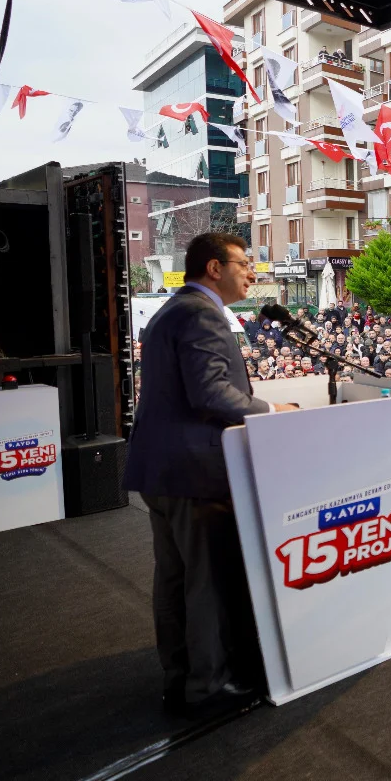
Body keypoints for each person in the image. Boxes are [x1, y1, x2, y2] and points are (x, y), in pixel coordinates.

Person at [124, 232, 299, 716]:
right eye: (244, 263)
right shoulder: (203, 315)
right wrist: (271, 408)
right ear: (213, 268)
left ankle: (180, 679)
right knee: (206, 581)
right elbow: (211, 394)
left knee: (175, 581)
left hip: (161, 469)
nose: (252, 273)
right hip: (196, 472)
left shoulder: (172, 310)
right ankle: (209, 687)